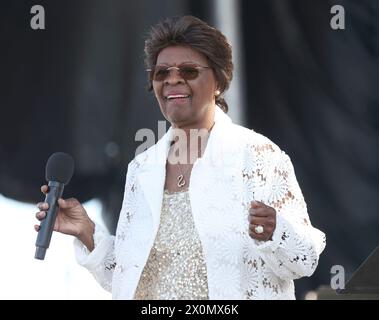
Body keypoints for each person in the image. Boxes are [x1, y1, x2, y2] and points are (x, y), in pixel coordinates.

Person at [35, 15, 326, 300]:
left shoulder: (258, 156)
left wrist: (275, 232)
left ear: (218, 82)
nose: (173, 80)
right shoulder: (142, 168)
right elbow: (129, 278)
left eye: (188, 71)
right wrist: (87, 231)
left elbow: (305, 259)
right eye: (162, 73)